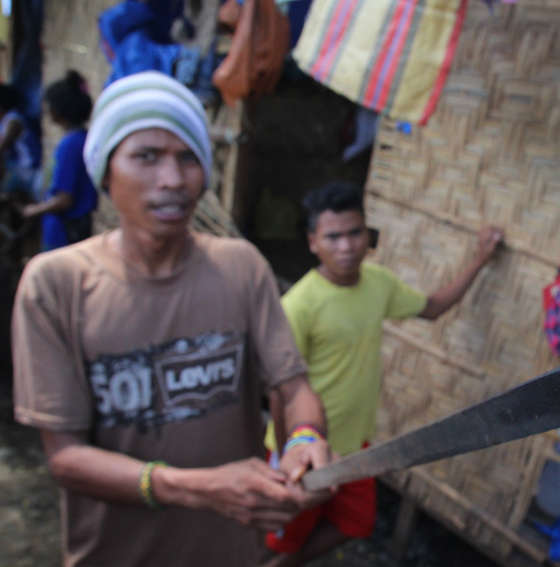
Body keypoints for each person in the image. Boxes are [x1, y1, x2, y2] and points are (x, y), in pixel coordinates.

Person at [12, 71, 332, 567]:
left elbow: (293, 386)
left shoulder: (240, 266)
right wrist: (196, 489)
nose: (173, 179)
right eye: (146, 156)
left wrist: (306, 438)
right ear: (106, 172)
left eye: (188, 157)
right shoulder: (56, 284)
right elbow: (66, 459)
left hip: (230, 553)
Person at [263, 182, 503, 567]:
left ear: (367, 234)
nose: (346, 246)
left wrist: (480, 259)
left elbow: (433, 308)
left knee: (355, 524)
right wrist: (281, 452)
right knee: (279, 538)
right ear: (313, 242)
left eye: (354, 232)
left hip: (355, 445)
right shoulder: (298, 305)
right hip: (304, 451)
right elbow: (280, 391)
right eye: (333, 236)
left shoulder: (378, 282)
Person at [21, 71, 99, 250]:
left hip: (63, 232)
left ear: (58, 109)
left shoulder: (70, 145)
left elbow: (64, 200)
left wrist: (34, 210)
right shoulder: (82, 139)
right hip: (75, 228)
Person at [0, 83, 39, 197]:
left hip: (28, 170)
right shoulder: (3, 121)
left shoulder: (13, 120)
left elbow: (2, 148)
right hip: (16, 169)